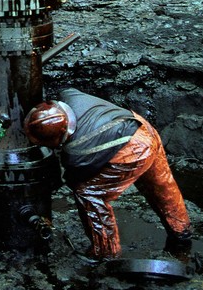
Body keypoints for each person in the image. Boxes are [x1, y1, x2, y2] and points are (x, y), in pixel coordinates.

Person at [24, 86, 192, 262]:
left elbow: (74, 179)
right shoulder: (69, 96)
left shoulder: (76, 151)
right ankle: (181, 231)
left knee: (89, 194)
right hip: (141, 127)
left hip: (132, 150)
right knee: (162, 184)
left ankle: (106, 253)